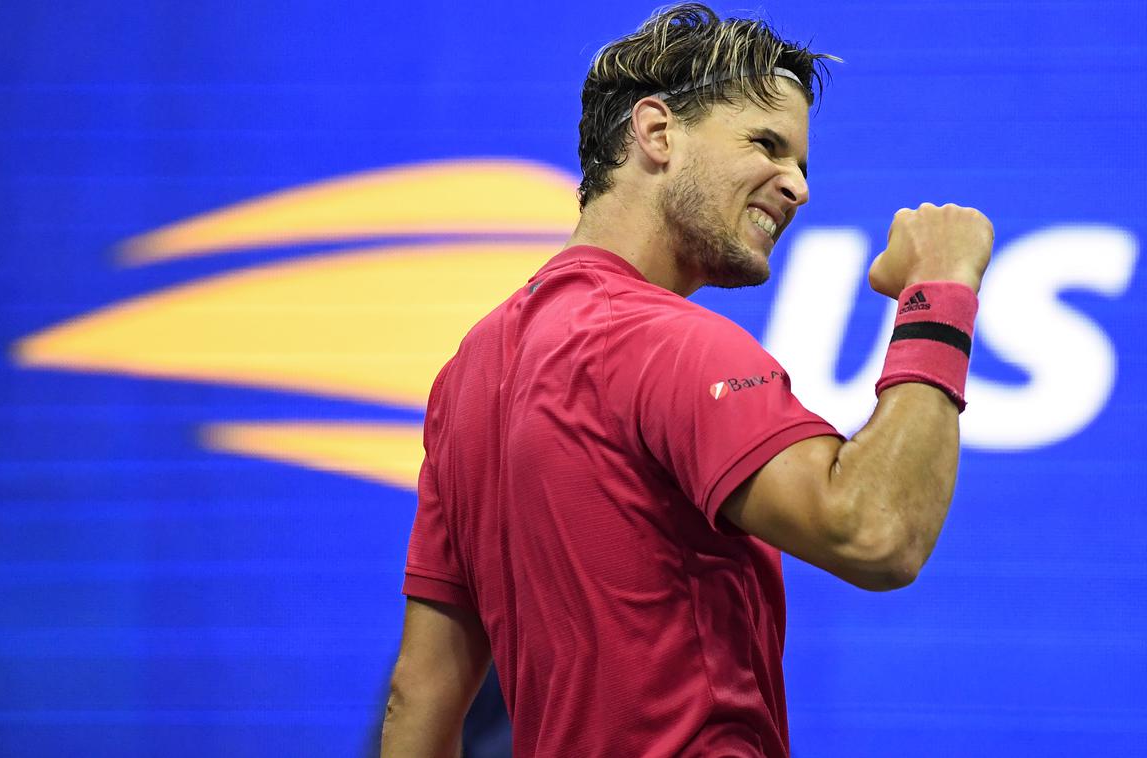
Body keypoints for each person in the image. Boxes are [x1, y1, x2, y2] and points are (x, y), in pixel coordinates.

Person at [380, 3, 993, 756]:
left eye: (802, 164)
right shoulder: (669, 343)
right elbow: (875, 533)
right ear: (657, 131)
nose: (797, 187)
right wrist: (941, 289)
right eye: (766, 145)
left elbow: (419, 700)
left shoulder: (469, 373)